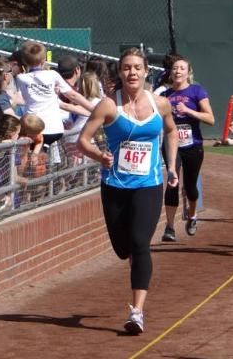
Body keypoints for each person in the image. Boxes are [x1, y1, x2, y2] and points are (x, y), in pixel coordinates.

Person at [77, 47, 178, 335]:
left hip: (149, 184)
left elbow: (170, 131)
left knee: (139, 242)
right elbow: (84, 140)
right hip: (114, 186)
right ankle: (132, 255)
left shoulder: (161, 104)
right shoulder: (109, 106)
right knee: (123, 249)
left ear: (146, 71)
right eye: (126, 68)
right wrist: (100, 156)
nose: (132, 72)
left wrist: (170, 165)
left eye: (137, 67)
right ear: (119, 73)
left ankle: (137, 312)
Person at [160, 55, 214, 242]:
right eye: (175, 68)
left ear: (188, 73)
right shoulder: (164, 96)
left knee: (190, 187)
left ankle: (192, 216)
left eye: (182, 68)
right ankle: (169, 227)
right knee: (172, 182)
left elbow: (210, 118)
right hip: (170, 145)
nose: (178, 71)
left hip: (192, 145)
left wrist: (188, 111)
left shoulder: (197, 91)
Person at [16, 41, 94, 149]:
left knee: (32, 158)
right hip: (55, 129)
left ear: (24, 60)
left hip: (33, 128)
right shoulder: (52, 74)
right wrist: (95, 109)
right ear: (44, 60)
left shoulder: (21, 78)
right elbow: (73, 95)